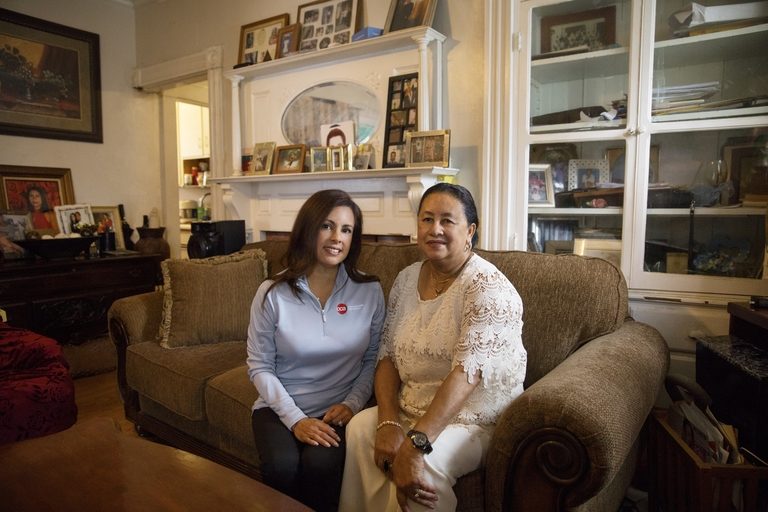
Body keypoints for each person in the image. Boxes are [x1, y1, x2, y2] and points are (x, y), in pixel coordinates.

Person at [339, 183, 527, 512]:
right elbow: (386, 357)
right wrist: (388, 422)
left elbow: (466, 376)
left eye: (446, 221)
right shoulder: (406, 278)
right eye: (426, 219)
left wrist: (415, 445)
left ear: (470, 230)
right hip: (412, 406)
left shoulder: (488, 287)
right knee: (358, 430)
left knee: (424, 463)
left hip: (472, 420)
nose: (434, 229)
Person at [247, 189, 386, 512]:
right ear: (308, 229)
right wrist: (295, 419)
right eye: (327, 226)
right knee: (281, 468)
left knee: (321, 468)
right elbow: (259, 365)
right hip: (278, 406)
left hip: (336, 410)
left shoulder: (370, 290)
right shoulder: (272, 293)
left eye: (347, 230)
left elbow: (373, 359)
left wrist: (352, 403)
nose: (337, 237)